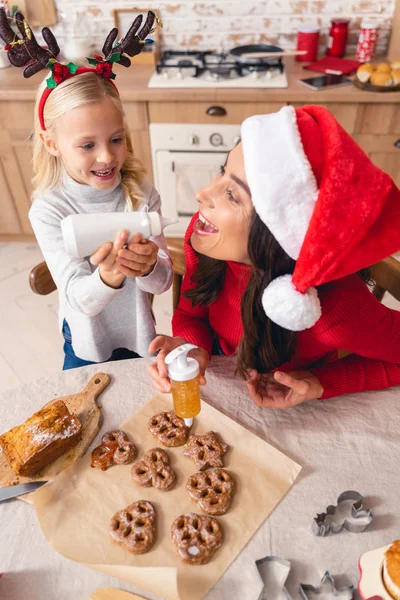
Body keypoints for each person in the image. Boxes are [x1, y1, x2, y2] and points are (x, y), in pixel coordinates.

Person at [148, 104, 400, 409]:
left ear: (276, 234)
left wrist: (320, 383)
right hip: (225, 377)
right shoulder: (202, 238)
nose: (202, 193)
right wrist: (193, 347)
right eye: (222, 172)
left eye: (232, 195)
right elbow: (190, 315)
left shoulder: (333, 310)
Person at [0, 9, 173, 369]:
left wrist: (145, 268)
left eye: (115, 139)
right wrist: (109, 275)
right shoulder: (50, 209)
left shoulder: (140, 195)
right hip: (85, 345)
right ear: (51, 144)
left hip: (143, 338)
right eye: (87, 145)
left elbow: (162, 283)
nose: (107, 156)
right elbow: (79, 299)